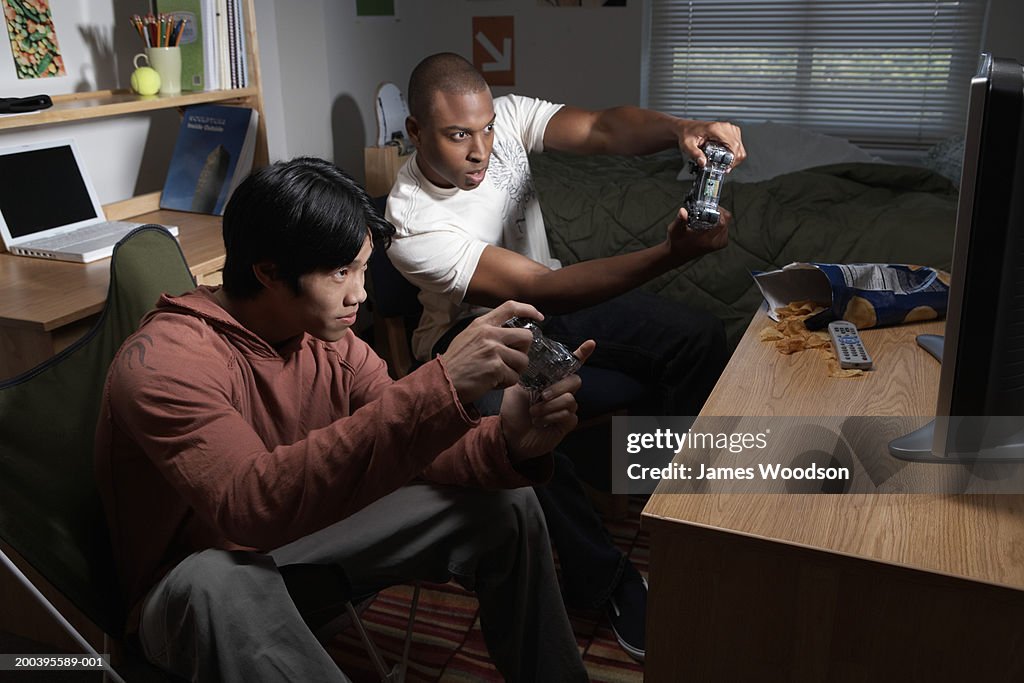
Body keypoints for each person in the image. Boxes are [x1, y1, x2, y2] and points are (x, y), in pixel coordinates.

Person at [94, 157, 597, 682]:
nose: (359, 293)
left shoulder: (332, 341)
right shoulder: (164, 362)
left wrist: (510, 443)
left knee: (508, 506)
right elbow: (249, 507)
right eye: (340, 272)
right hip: (193, 583)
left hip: (302, 538)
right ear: (268, 271)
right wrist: (440, 381)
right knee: (215, 581)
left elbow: (416, 445)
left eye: (362, 268)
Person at [385, 52, 746, 661]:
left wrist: (681, 129)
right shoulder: (409, 220)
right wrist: (673, 254)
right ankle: (603, 582)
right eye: (456, 136)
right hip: (473, 333)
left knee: (699, 337)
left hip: (547, 302)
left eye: (486, 130)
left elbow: (604, 127)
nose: (481, 150)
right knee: (516, 420)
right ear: (416, 133)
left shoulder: (505, 118)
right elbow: (538, 288)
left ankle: (668, 504)